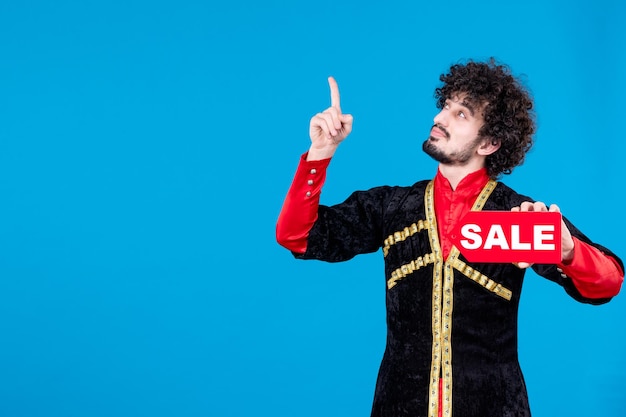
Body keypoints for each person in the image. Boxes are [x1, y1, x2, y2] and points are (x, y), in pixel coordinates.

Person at [275, 59, 624, 417]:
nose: (440, 118)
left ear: (489, 143)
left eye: (461, 114)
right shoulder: (390, 206)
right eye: (445, 106)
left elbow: (608, 283)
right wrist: (319, 153)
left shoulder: (520, 216)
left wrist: (567, 251)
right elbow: (297, 237)